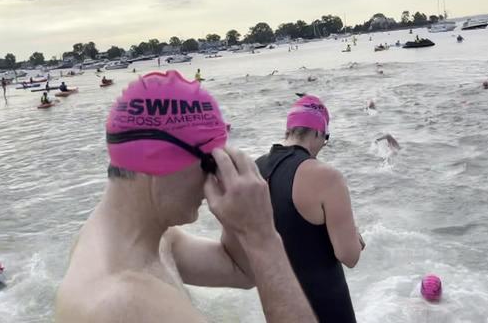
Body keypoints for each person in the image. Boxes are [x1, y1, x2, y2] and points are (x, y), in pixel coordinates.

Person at [56, 70, 316, 323]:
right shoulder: (127, 302)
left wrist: (241, 222)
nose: (214, 178)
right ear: (156, 160)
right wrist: (263, 237)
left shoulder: (135, 238)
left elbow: (241, 270)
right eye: (209, 163)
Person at [255, 95, 364, 323]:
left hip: (278, 306)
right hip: (326, 308)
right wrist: (355, 237)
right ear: (317, 132)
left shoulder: (255, 169)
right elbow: (349, 256)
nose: (323, 145)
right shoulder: (325, 176)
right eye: (325, 137)